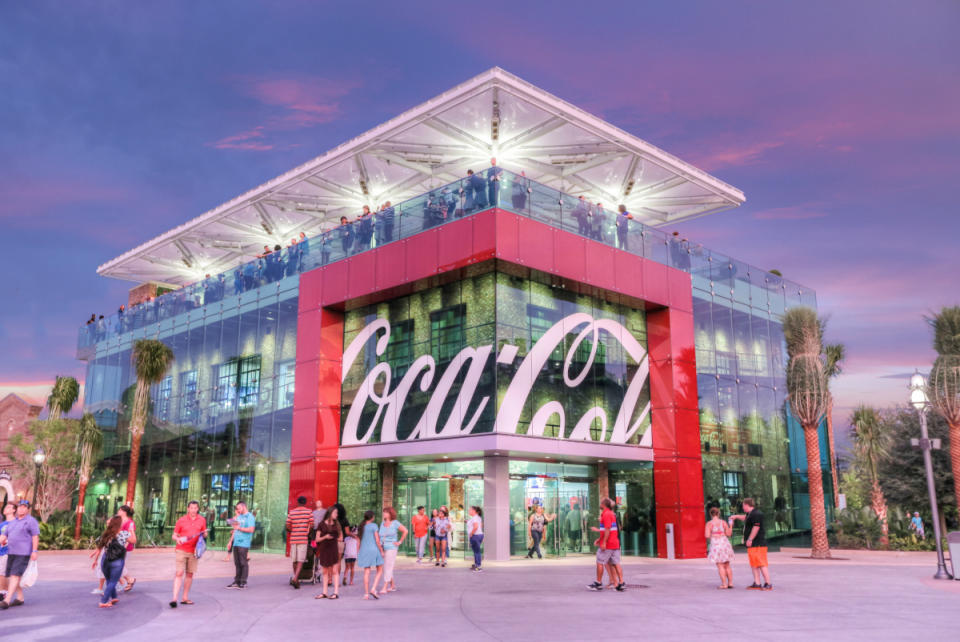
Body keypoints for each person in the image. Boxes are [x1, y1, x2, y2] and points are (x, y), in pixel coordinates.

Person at [0, 500, 39, 609]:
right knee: (14, 575)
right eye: (20, 507)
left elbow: (35, 536)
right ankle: (20, 597)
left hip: (23, 553)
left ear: (27, 509)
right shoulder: (12, 523)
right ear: (17, 509)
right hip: (11, 552)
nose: (21, 509)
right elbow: (3, 537)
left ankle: (7, 600)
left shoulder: (31, 521)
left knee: (14, 575)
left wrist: (34, 551)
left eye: (24, 507)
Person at [170, 500, 207, 608]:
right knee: (179, 572)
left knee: (190, 574)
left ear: (198, 509)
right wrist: (177, 539)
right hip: (181, 549)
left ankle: (185, 598)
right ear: (188, 509)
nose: (194, 510)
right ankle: (174, 598)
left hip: (194, 551)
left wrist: (205, 534)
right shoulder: (181, 520)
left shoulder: (202, 520)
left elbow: (204, 534)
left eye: (196, 508)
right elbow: (174, 535)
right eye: (191, 508)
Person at [730, 498, 771, 590]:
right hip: (753, 544)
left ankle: (768, 583)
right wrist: (736, 516)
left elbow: (756, 527)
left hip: (758, 543)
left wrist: (750, 539)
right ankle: (757, 583)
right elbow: (745, 517)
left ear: (746, 505)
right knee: (754, 564)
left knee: (761, 563)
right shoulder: (751, 514)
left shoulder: (757, 514)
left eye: (743, 505)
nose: (742, 507)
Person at [91, 516, 132, 608]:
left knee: (109, 580)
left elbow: (100, 547)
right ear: (119, 524)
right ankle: (104, 601)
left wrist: (95, 560)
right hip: (117, 560)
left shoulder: (106, 534)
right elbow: (133, 540)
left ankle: (113, 597)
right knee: (113, 581)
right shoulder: (124, 534)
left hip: (105, 560)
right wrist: (131, 531)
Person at [587, 498, 624, 592]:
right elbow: (608, 530)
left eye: (601, 502)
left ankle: (598, 583)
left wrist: (603, 542)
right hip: (615, 543)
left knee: (600, 562)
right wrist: (600, 539)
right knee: (616, 563)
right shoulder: (611, 514)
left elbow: (607, 529)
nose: (600, 504)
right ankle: (621, 583)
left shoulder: (607, 514)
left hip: (608, 544)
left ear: (604, 504)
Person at [314, 506, 343, 600]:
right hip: (324, 549)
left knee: (335, 571)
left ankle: (335, 592)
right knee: (325, 571)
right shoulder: (321, 524)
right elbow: (317, 539)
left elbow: (340, 538)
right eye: (335, 513)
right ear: (330, 513)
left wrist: (334, 537)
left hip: (333, 549)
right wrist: (325, 537)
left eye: (337, 513)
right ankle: (325, 592)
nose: (337, 515)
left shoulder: (337, 524)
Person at [285, 496, 313, 589]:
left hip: (293, 538)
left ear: (298, 502)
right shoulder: (309, 512)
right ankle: (295, 578)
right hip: (303, 539)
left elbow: (287, 525)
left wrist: (293, 530)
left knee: (294, 560)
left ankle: (296, 579)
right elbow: (312, 524)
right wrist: (307, 531)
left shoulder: (292, 512)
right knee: (301, 560)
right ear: (305, 502)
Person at [356, 510, 384, 600]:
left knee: (366, 571)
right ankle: (373, 588)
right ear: (372, 517)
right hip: (374, 550)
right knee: (379, 569)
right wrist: (381, 551)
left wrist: (358, 552)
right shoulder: (374, 526)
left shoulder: (361, 527)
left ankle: (366, 594)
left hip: (364, 550)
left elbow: (358, 541)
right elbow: (377, 540)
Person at [227, 501, 255, 589]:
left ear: (244, 507)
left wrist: (240, 528)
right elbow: (235, 528)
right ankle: (237, 581)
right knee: (237, 563)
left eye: (239, 508)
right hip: (236, 542)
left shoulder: (250, 516)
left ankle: (243, 582)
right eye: (237, 509)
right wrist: (230, 541)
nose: (237, 510)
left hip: (244, 542)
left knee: (243, 562)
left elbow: (251, 529)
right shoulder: (239, 516)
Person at [704, 507, 734, 589]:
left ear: (710, 514)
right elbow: (728, 534)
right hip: (725, 543)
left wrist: (713, 535)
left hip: (716, 545)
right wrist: (731, 526)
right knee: (727, 564)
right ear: (718, 513)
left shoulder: (709, 524)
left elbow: (707, 535)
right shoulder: (723, 522)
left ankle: (724, 584)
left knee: (720, 565)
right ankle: (730, 583)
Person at [379, 507, 407, 592]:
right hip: (383, 547)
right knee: (385, 567)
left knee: (388, 567)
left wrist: (399, 542)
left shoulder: (395, 523)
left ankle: (385, 587)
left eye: (386, 512)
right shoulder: (382, 523)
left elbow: (405, 531)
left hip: (392, 548)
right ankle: (392, 585)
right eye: (383, 512)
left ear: (390, 514)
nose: (384, 514)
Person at [116, 505, 137, 593]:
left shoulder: (130, 522)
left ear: (124, 512)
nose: (118, 512)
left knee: (118, 565)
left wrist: (124, 546)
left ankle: (129, 579)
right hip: (117, 545)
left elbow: (129, 536)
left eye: (120, 510)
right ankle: (129, 580)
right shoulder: (119, 521)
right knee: (118, 564)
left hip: (125, 547)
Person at [0, 503, 15, 600]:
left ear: (14, 510)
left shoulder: (17, 523)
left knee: (2, 573)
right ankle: (5, 592)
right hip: (1, 550)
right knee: (3, 573)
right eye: (5, 507)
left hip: (10, 551)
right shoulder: (2, 524)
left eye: (9, 507)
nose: (6, 508)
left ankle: (3, 593)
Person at [467, 506, 484, 572]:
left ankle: (478, 566)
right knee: (476, 551)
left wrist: (471, 533)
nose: (469, 511)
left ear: (474, 511)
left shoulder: (475, 518)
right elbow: (481, 526)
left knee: (477, 551)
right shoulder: (478, 517)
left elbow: (476, 526)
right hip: (478, 535)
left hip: (475, 536)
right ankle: (476, 564)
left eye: (470, 510)